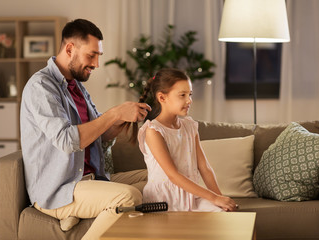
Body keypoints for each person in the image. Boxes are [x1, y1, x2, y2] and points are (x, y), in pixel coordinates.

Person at [20, 19, 151, 240]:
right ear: (70, 49)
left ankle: (78, 213)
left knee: (157, 180)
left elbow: (98, 137)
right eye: (92, 55)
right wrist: (113, 114)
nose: (97, 64)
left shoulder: (77, 86)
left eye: (98, 56)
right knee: (129, 197)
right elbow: (66, 141)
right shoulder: (41, 87)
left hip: (91, 179)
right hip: (60, 189)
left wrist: (119, 121)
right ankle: (73, 211)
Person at [134, 68, 237, 212]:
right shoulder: (153, 131)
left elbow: (205, 168)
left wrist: (220, 199)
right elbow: (173, 175)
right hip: (164, 200)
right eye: (182, 95)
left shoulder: (189, 127)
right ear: (162, 98)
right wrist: (214, 198)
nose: (189, 100)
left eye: (190, 94)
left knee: (223, 213)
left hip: (191, 196)